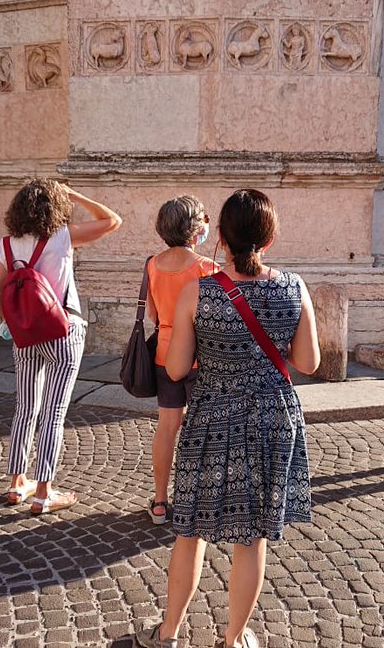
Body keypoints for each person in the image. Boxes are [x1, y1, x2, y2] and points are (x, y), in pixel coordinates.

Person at [138, 189, 320, 648]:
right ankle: (234, 639)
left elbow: (176, 369)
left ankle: (167, 634)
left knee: (190, 530)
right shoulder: (293, 286)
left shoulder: (200, 291)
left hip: (213, 414)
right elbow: (309, 361)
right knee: (252, 538)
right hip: (271, 417)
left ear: (219, 236)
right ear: (271, 237)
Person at [0, 179, 121, 515]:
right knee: (53, 414)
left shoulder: (6, 244)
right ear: (55, 207)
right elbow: (112, 220)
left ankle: (17, 482)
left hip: (25, 337)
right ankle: (44, 492)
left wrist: (12, 322)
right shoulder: (62, 236)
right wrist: (73, 193)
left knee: (25, 408)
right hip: (63, 332)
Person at [144, 195, 218, 526]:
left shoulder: (152, 264)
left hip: (164, 354)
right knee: (203, 430)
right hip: (200, 358)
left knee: (167, 427)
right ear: (193, 228)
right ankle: (202, 499)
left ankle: (160, 502)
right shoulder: (206, 267)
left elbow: (152, 314)